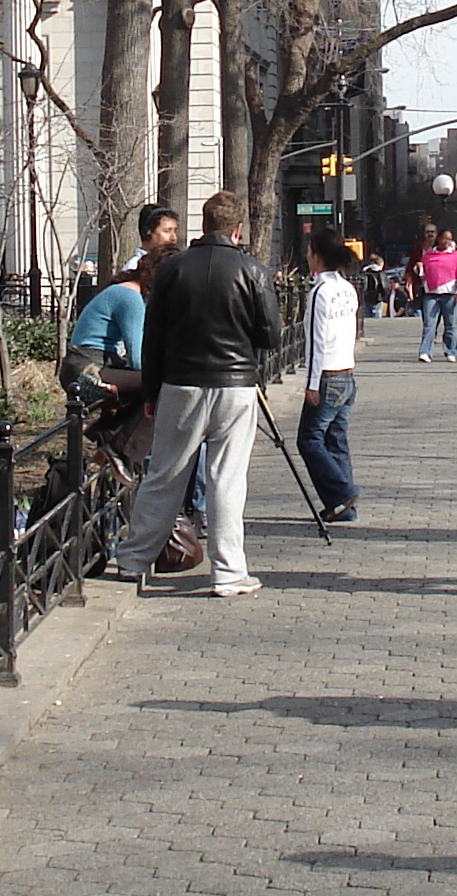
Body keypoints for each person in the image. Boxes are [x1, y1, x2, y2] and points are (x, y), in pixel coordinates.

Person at [108, 191, 285, 597]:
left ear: (202, 225)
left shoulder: (172, 271)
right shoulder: (252, 271)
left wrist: (151, 391)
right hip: (235, 385)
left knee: (165, 474)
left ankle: (133, 559)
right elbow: (271, 335)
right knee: (227, 478)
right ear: (238, 229)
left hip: (181, 383)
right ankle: (228, 572)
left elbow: (153, 338)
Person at [297, 234, 362, 523]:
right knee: (336, 438)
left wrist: (311, 383)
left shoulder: (320, 292)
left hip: (327, 375)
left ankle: (340, 492)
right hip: (347, 371)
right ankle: (345, 506)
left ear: (318, 256)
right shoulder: (347, 289)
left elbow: (316, 341)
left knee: (309, 439)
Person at [64, 271, 147, 403]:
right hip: (89, 367)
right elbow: (137, 361)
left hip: (77, 362)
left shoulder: (121, 290)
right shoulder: (131, 297)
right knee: (159, 382)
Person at [417, 227, 457, 363]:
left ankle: (450, 351)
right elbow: (424, 275)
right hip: (431, 294)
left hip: (449, 294)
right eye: (444, 238)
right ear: (439, 239)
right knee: (429, 324)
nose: (446, 242)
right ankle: (425, 351)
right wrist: (420, 270)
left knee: (451, 324)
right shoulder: (428, 255)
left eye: (449, 239)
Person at [118, 203, 180, 279]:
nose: (173, 237)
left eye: (175, 231)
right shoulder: (134, 267)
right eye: (167, 231)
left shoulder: (177, 264)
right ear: (148, 232)